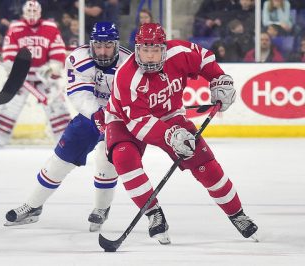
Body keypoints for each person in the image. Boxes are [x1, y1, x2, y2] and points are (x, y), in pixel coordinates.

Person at [105, 23, 258, 244]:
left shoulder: (180, 52)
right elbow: (138, 123)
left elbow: (205, 58)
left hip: (170, 114)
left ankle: (237, 214)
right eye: (144, 50)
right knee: (124, 157)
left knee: (205, 165)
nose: (149, 57)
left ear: (164, 49)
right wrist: (170, 136)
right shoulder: (126, 76)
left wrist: (219, 79)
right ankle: (153, 213)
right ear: (137, 49)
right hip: (124, 119)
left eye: (155, 50)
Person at [4, 22, 131, 231]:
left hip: (118, 119)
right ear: (91, 44)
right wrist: (96, 114)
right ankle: (33, 206)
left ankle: (101, 208)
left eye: (108, 45)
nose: (102, 51)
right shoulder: (78, 58)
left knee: (105, 158)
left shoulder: (129, 62)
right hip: (90, 116)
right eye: (98, 45)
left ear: (116, 45)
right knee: (59, 161)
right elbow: (79, 93)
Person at [0, 0, 72, 146]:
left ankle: (66, 140)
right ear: (23, 13)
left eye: (34, 12)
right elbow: (10, 49)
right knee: (10, 105)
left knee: (56, 106)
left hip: (43, 76)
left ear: (40, 13)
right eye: (29, 12)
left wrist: (53, 67)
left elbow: (57, 50)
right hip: (21, 76)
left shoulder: (50, 27)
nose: (32, 15)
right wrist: (10, 65)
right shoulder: (16, 27)